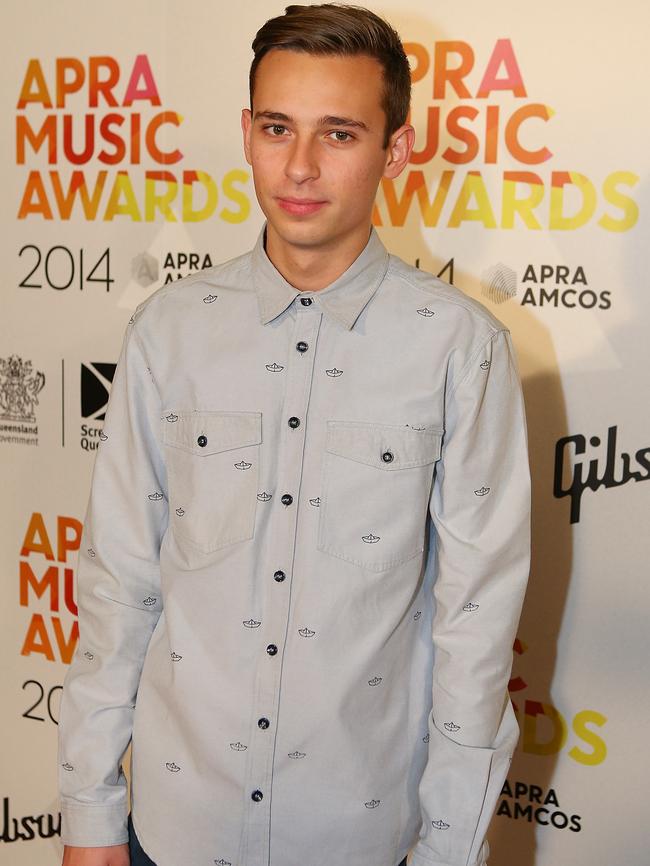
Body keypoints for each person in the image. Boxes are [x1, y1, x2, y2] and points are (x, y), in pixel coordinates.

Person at [57, 4, 531, 866]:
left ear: (397, 151)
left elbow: (476, 626)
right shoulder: (167, 331)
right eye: (278, 128)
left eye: (339, 134)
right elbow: (119, 580)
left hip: (357, 833)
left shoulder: (461, 349)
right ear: (245, 133)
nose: (301, 167)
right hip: (172, 827)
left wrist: (451, 849)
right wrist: (89, 813)